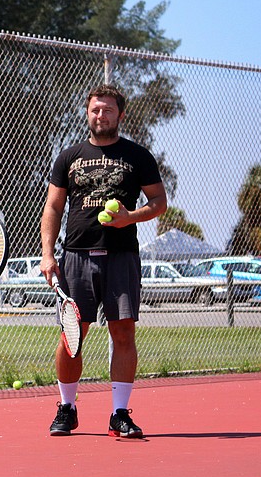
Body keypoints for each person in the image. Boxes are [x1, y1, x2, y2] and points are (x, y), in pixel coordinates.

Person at [39, 83, 168, 439]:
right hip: (77, 257)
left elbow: (159, 202)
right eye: (96, 109)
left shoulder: (138, 156)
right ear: (88, 113)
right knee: (71, 335)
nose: (101, 115)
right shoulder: (69, 156)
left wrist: (131, 217)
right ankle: (67, 408)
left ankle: (119, 414)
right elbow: (53, 206)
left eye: (108, 110)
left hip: (121, 256)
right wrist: (48, 254)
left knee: (123, 332)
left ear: (120, 115)